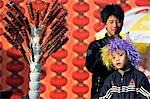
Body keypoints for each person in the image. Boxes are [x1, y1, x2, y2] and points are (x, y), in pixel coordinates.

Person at [85, 4, 124, 98]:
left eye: (118, 22)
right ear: (105, 23)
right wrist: (106, 53)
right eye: (111, 22)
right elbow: (91, 67)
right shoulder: (95, 45)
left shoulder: (126, 46)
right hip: (101, 92)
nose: (115, 25)